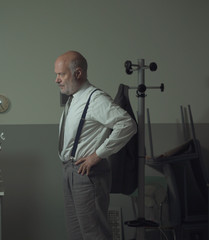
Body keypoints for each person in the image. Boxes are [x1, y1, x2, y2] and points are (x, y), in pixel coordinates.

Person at [55, 50, 137, 240]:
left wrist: (97, 155)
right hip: (70, 170)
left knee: (94, 234)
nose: (57, 80)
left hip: (87, 174)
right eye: (56, 75)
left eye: (61, 74)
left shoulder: (96, 99)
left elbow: (127, 124)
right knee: (76, 233)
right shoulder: (74, 99)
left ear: (78, 73)